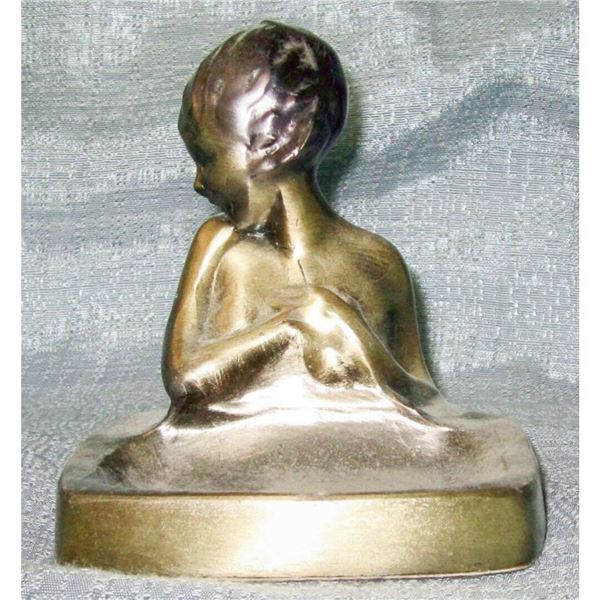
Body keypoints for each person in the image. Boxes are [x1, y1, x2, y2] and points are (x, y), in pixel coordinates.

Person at [162, 20, 439, 425]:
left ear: (278, 141)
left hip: (354, 445)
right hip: (231, 447)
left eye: (206, 159)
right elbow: (185, 380)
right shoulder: (219, 244)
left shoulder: (378, 264)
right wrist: (290, 326)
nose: (199, 182)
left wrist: (348, 329)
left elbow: (425, 401)